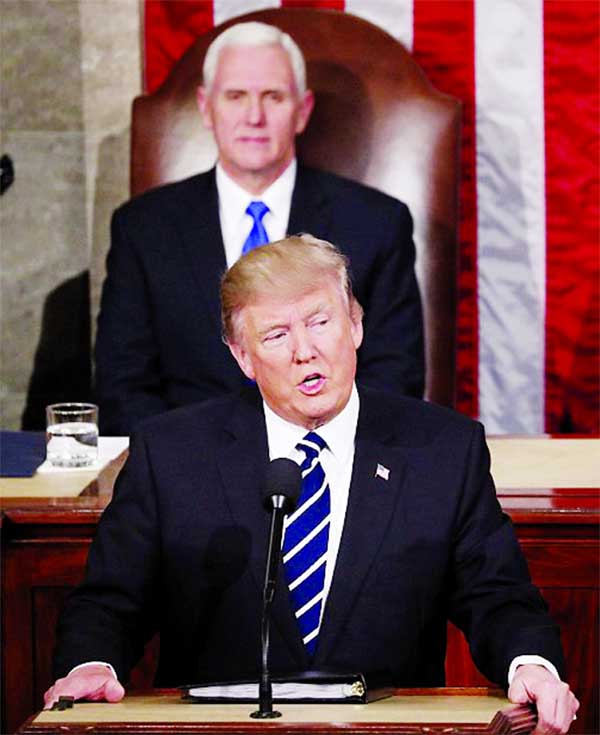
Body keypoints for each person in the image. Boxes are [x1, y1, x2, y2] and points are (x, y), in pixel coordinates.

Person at [47, 236, 578, 734]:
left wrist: (528, 663)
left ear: (356, 325)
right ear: (243, 357)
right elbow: (110, 600)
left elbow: (498, 595)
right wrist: (91, 664)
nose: (305, 351)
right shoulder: (172, 453)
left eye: (320, 322)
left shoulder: (441, 449)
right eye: (276, 335)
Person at [94, 21, 424, 436]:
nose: (254, 116)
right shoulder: (143, 228)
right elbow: (123, 384)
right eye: (236, 96)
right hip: (190, 471)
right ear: (206, 107)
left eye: (273, 97)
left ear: (302, 111)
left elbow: (395, 377)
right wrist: (186, 470)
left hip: (331, 466)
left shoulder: (377, 223)